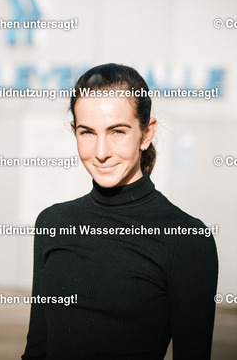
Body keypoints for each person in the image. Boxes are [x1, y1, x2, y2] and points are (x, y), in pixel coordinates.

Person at [22, 63, 218, 359]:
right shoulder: (53, 222)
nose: (101, 152)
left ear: (146, 133)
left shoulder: (186, 238)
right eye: (88, 132)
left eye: (117, 131)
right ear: (74, 131)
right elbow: (36, 349)